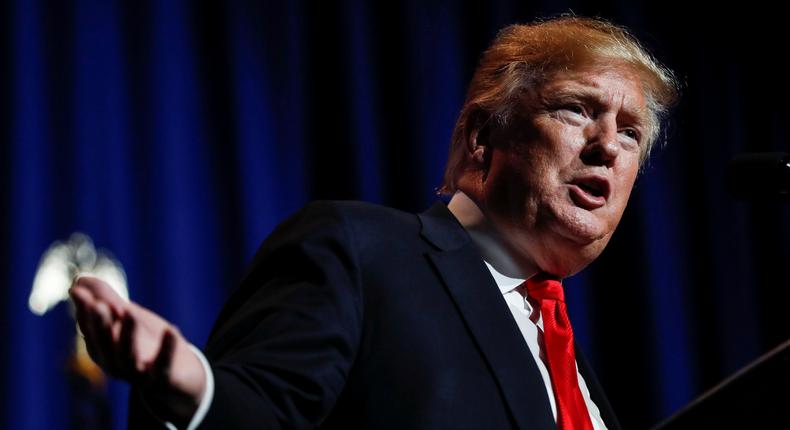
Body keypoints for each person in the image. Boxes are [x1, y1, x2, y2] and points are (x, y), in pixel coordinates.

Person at [70, 16, 678, 430]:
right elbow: (264, 409)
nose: (608, 146)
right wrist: (191, 387)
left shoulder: (572, 360)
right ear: (482, 137)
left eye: (630, 133)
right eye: (578, 109)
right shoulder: (360, 252)